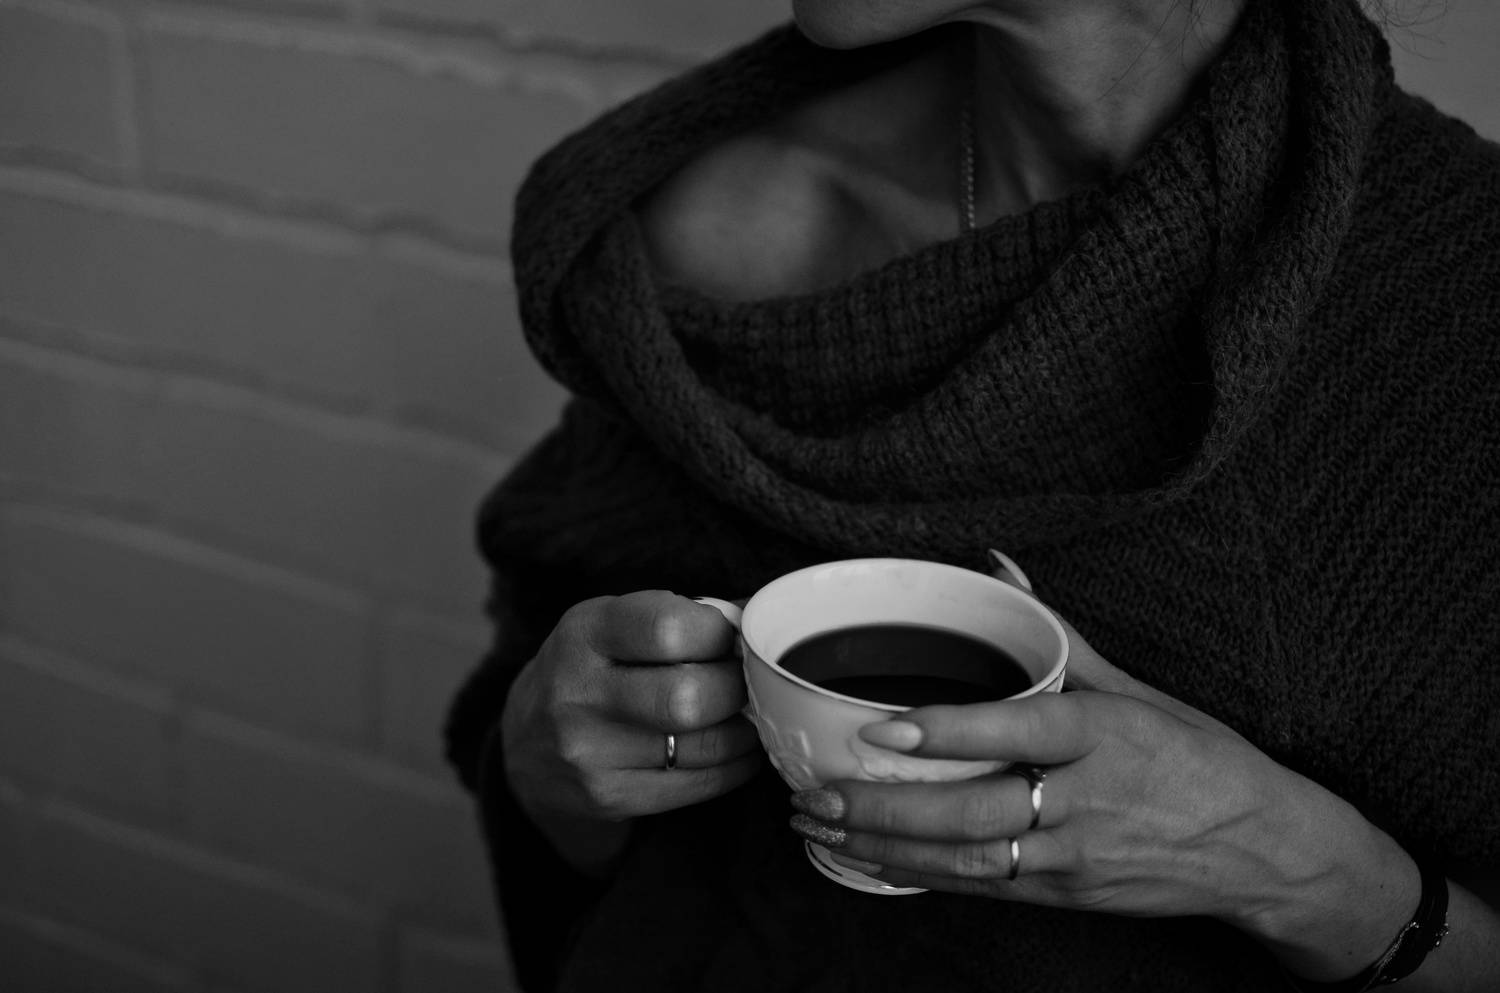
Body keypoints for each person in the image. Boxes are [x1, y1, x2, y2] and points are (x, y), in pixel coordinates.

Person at [444, 0, 1500, 989]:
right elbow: (560, 770)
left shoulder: (1451, 304)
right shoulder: (717, 230)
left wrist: (1288, 864)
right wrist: (549, 761)